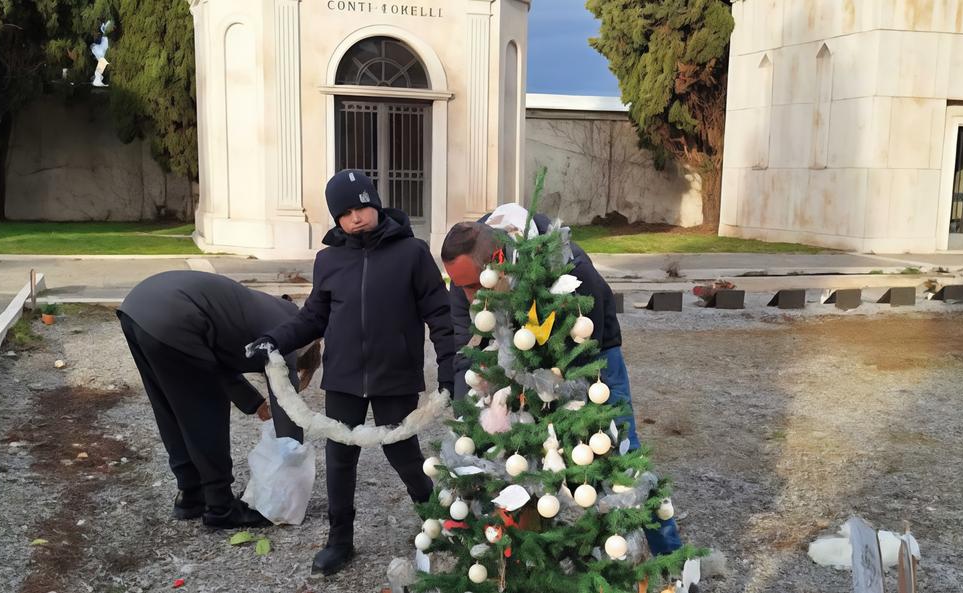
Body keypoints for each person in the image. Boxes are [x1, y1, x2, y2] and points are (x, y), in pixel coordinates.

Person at [440, 206, 683, 555]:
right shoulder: (466, 268)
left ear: (498, 260)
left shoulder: (568, 263)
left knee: (619, 451)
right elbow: (464, 345)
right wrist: (468, 410)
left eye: (476, 285)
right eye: (460, 286)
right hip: (515, 359)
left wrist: (552, 396)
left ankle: (668, 557)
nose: (469, 296)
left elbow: (580, 344)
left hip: (589, 357)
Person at [249, 169, 455, 576]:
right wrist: (274, 339)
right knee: (340, 459)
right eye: (344, 212)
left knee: (405, 456)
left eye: (362, 206)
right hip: (343, 378)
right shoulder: (329, 260)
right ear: (337, 219)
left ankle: (440, 524)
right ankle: (339, 539)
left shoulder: (412, 254)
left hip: (395, 375)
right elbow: (312, 317)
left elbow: (441, 317)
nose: (355, 217)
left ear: (375, 204)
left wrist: (449, 372)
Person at [118, 270, 320, 529]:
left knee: (169, 407)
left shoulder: (269, 310)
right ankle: (221, 507)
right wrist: (292, 458)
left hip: (137, 308)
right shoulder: (291, 338)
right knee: (205, 411)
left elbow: (216, 360)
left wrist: (253, 402)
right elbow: (287, 407)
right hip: (177, 316)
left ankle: (191, 495)